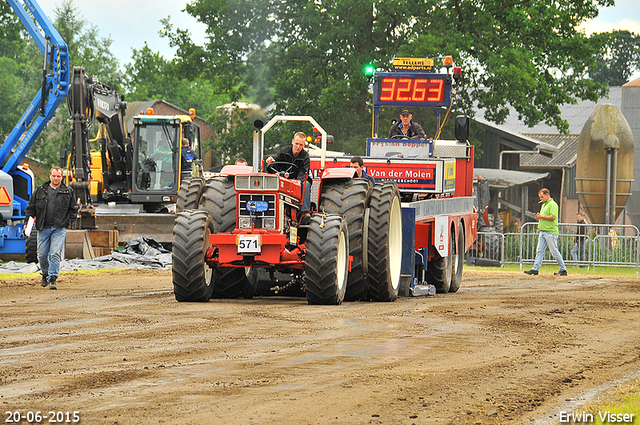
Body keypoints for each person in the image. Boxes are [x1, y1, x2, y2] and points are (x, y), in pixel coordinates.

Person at [25, 166, 78, 290]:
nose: (56, 178)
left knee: (54, 253)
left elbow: (73, 209)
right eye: (54, 176)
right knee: (42, 255)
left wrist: (67, 223)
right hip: (43, 227)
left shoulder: (68, 191)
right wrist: (27, 222)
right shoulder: (40, 190)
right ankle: (45, 273)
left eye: (58, 176)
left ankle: (53, 278)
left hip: (59, 228)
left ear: (61, 177)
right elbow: (31, 208)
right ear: (50, 176)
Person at [524, 188, 567, 276]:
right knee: (539, 251)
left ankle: (563, 269)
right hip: (543, 231)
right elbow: (544, 217)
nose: (541, 199)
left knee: (554, 251)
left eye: (542, 197)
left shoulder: (553, 204)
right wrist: (539, 217)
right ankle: (535, 269)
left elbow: (553, 217)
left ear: (547, 195)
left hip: (550, 232)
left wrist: (541, 217)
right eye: (540, 197)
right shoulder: (544, 205)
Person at [266, 132, 311, 211]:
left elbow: (303, 172)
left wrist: (296, 182)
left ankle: (304, 211)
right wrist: (272, 164)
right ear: (292, 141)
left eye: (301, 145)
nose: (298, 147)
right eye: (296, 143)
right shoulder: (283, 151)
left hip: (297, 181)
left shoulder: (305, 157)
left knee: (306, 184)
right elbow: (276, 167)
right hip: (283, 178)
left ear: (304, 145)